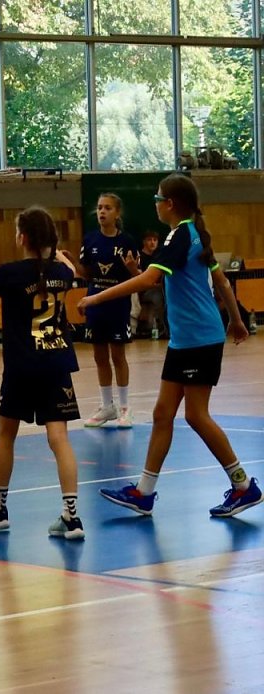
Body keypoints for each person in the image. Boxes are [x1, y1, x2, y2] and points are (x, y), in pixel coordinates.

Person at [80, 174, 259, 518]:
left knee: (195, 414)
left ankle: (243, 486)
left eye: (158, 199)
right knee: (163, 414)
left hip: (198, 339)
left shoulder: (181, 235)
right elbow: (220, 281)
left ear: (170, 204)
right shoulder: (190, 235)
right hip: (186, 340)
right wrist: (236, 320)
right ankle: (144, 492)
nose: (156, 205)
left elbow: (151, 279)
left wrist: (97, 297)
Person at [0, 206, 85, 540]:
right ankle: (72, 517)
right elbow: (71, 267)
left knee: (6, 435)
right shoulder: (63, 272)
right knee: (59, 439)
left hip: (22, 365)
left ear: (22, 238)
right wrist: (57, 253)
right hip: (57, 362)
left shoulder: (10, 273)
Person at [76, 193, 141, 428]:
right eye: (100, 207)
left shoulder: (127, 242)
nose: (102, 211)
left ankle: (124, 407)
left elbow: (140, 278)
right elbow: (86, 274)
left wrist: (132, 268)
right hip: (96, 305)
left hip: (118, 306)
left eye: (107, 208)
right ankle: (107, 406)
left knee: (118, 355)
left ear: (117, 213)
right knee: (100, 356)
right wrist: (72, 262)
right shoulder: (90, 240)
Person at [135, 230, 166, 339]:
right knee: (158, 296)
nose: (152, 242)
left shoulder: (159, 256)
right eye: (149, 240)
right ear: (144, 242)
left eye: (155, 240)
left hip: (158, 287)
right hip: (145, 290)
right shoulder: (139, 257)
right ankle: (162, 328)